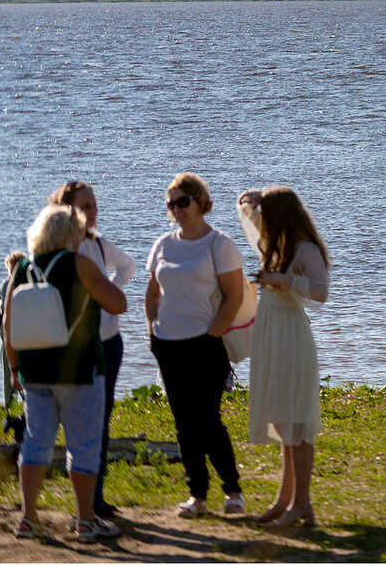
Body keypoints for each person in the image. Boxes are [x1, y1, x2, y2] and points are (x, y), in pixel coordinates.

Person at [3, 204, 126, 540]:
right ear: (68, 233)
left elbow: (8, 325)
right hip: (80, 368)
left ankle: (28, 517)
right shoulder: (79, 263)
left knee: (36, 441)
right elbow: (118, 303)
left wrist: (14, 368)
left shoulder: (23, 268)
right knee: (83, 443)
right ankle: (86, 519)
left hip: (35, 371)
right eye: (78, 231)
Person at [145, 173, 245, 519]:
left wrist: (213, 333)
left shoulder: (220, 244)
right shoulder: (163, 244)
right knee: (183, 423)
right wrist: (153, 334)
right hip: (168, 345)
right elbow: (152, 293)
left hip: (206, 345)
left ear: (200, 201)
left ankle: (233, 491)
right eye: (170, 204)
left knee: (208, 420)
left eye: (182, 201)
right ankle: (197, 495)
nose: (177, 209)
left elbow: (235, 296)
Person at [237, 186, 330, 527]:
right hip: (271, 334)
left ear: (282, 216)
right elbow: (248, 219)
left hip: (291, 335)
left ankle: (301, 503)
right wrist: (249, 200)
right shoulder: (273, 246)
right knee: (281, 418)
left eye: (267, 215)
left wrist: (285, 280)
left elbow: (321, 291)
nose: (261, 221)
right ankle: (285, 499)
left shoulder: (304, 249)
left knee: (296, 421)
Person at [49, 181, 137, 519]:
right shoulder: (55, 248)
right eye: (85, 205)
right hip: (74, 345)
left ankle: (96, 500)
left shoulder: (98, 245)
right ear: (66, 210)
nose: (92, 211)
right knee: (76, 421)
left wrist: (107, 291)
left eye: (94, 204)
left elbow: (127, 266)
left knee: (101, 420)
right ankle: (83, 504)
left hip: (109, 342)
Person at [0, 250, 27, 421]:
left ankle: (24, 402)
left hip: (24, 336)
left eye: (12, 269)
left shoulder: (26, 285)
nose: (10, 273)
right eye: (9, 269)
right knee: (7, 370)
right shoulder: (4, 284)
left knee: (23, 370)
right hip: (5, 336)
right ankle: (8, 403)